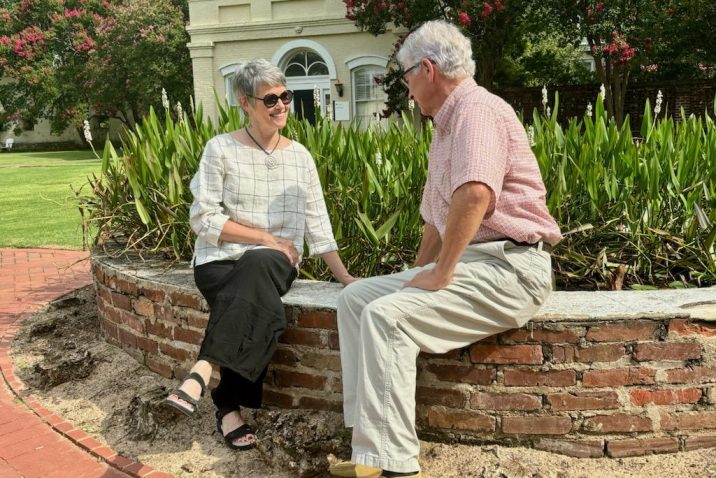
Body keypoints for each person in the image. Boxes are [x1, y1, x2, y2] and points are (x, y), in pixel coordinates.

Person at [329, 20, 562, 478]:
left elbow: (475, 195)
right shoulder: (445, 127)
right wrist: (413, 275)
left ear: (427, 69)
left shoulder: (477, 112)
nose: (407, 88)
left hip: (510, 267)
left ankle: (395, 464)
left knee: (386, 316)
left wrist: (438, 274)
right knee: (357, 299)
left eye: (406, 76)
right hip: (477, 263)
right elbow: (438, 221)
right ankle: (370, 445)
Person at [162, 59, 354, 450]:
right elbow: (203, 219)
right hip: (218, 261)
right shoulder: (221, 148)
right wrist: (265, 237)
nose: (281, 105)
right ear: (244, 102)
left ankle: (204, 369)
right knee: (257, 296)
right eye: (270, 99)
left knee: (259, 263)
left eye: (286, 96)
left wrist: (346, 278)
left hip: (274, 263)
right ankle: (227, 407)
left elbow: (319, 224)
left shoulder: (300, 156)